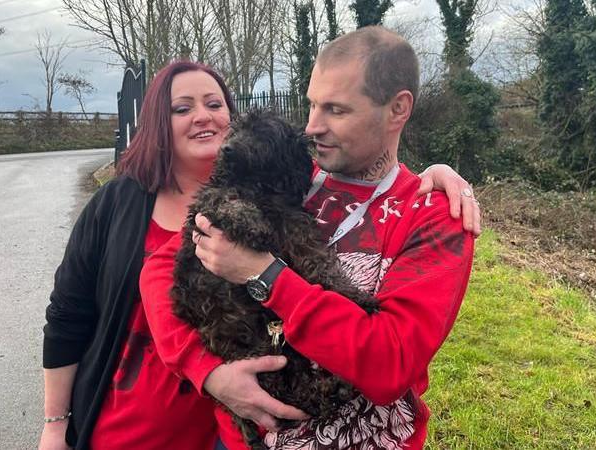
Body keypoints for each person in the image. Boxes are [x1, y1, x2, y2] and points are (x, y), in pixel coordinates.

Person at [40, 57, 478, 449]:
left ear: (398, 110)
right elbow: (159, 269)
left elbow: (390, 365)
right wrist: (208, 371)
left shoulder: (435, 216)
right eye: (312, 105)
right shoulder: (292, 183)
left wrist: (265, 275)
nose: (312, 126)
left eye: (336, 109)